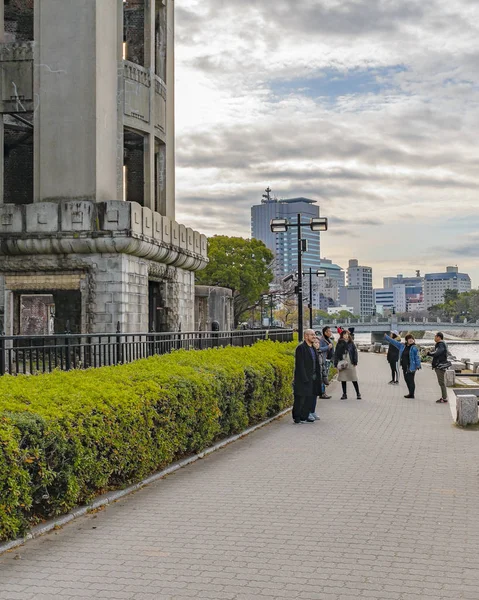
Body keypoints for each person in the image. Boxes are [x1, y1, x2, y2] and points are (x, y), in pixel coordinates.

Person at [293, 329, 320, 424]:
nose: (314, 336)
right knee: (300, 398)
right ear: (306, 336)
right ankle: (297, 417)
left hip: (313, 377)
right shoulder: (301, 348)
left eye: (314, 335)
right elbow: (300, 365)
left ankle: (304, 416)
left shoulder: (313, 348)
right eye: (312, 335)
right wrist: (305, 378)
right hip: (303, 378)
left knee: (309, 397)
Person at [384, 333, 422, 398]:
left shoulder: (414, 348)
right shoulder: (402, 346)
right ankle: (410, 393)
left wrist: (418, 365)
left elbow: (417, 357)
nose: (411, 340)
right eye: (409, 339)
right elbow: (394, 342)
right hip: (404, 366)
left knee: (411, 380)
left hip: (411, 366)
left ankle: (412, 394)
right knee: (406, 379)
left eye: (412, 339)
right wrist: (387, 337)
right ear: (406, 340)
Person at [334, 330, 361, 400]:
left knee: (354, 378)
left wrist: (355, 362)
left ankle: (358, 393)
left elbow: (355, 353)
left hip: (350, 361)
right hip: (342, 362)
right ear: (342, 335)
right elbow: (336, 354)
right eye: (344, 334)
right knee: (343, 378)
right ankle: (344, 394)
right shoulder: (339, 343)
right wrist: (335, 364)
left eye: (347, 334)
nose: (346, 336)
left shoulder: (351, 343)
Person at [427, 332, 450, 403]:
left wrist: (429, 353)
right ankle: (444, 397)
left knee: (441, 382)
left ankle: (444, 398)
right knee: (441, 382)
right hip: (440, 365)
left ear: (438, 337)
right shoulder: (442, 344)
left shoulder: (440, 344)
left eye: (435, 337)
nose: (434, 338)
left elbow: (437, 353)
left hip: (440, 366)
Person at [310, 337, 325, 420]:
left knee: (315, 395)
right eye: (315, 342)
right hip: (313, 376)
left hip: (319, 377)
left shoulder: (320, 353)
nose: (317, 344)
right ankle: (309, 411)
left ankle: (313, 411)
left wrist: (324, 377)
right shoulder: (311, 352)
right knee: (311, 395)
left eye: (318, 343)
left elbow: (322, 366)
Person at [318, 326, 334, 399]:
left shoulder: (329, 340)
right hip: (323, 361)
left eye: (331, 331)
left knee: (325, 377)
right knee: (323, 377)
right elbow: (319, 349)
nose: (330, 333)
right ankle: (322, 393)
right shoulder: (321, 340)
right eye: (329, 331)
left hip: (328, 360)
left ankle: (323, 392)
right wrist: (328, 347)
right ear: (325, 332)